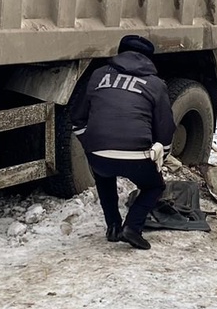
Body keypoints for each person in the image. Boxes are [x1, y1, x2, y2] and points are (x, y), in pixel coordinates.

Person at [71, 35, 175, 250]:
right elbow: (165, 127)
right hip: (136, 155)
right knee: (154, 186)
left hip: (99, 155)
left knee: (103, 177)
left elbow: (78, 118)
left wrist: (90, 144)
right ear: (149, 58)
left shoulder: (98, 75)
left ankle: (113, 227)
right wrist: (161, 154)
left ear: (119, 52)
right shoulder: (156, 85)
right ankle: (132, 228)